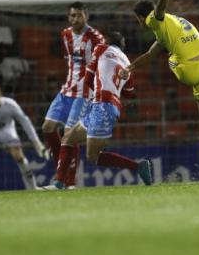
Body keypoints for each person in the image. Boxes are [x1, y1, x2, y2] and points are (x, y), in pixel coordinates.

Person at [126, 0, 199, 181]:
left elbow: (157, 12)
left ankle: (179, 66)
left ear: (141, 17)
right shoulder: (173, 24)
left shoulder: (154, 19)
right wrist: (130, 67)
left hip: (188, 70)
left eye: (137, 19)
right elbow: (149, 55)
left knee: (171, 59)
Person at [43, 31, 153, 189]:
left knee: (92, 156)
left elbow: (88, 79)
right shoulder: (127, 62)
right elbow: (129, 93)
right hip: (107, 106)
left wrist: (98, 88)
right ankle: (59, 183)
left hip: (102, 104)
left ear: (107, 41)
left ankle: (138, 167)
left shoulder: (101, 49)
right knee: (68, 138)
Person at [42, 2, 105, 188]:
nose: (75, 19)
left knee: (69, 134)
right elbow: (69, 61)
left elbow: (102, 65)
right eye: (72, 16)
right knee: (48, 127)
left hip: (84, 93)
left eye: (78, 15)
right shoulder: (65, 34)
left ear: (86, 15)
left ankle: (68, 181)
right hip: (66, 90)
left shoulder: (96, 38)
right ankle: (61, 167)